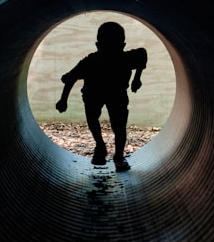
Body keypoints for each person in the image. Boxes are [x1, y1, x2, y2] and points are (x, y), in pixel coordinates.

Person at [56, 21, 147, 171]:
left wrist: (63, 99)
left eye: (114, 47)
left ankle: (110, 151)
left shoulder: (93, 60)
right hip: (98, 93)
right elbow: (142, 54)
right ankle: (106, 149)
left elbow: (70, 79)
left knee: (111, 123)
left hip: (106, 94)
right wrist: (137, 78)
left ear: (97, 44)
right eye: (107, 47)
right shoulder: (120, 58)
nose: (110, 52)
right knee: (114, 125)